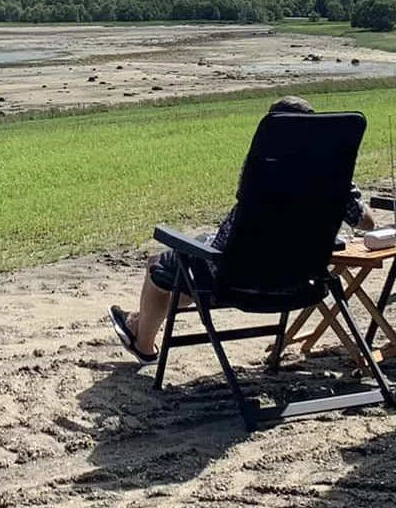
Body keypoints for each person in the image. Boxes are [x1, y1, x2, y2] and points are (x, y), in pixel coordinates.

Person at [107, 96, 371, 363]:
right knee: (186, 268)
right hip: (299, 282)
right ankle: (137, 321)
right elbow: (366, 223)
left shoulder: (262, 167)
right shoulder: (333, 175)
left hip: (234, 278)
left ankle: (144, 344)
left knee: (161, 264)